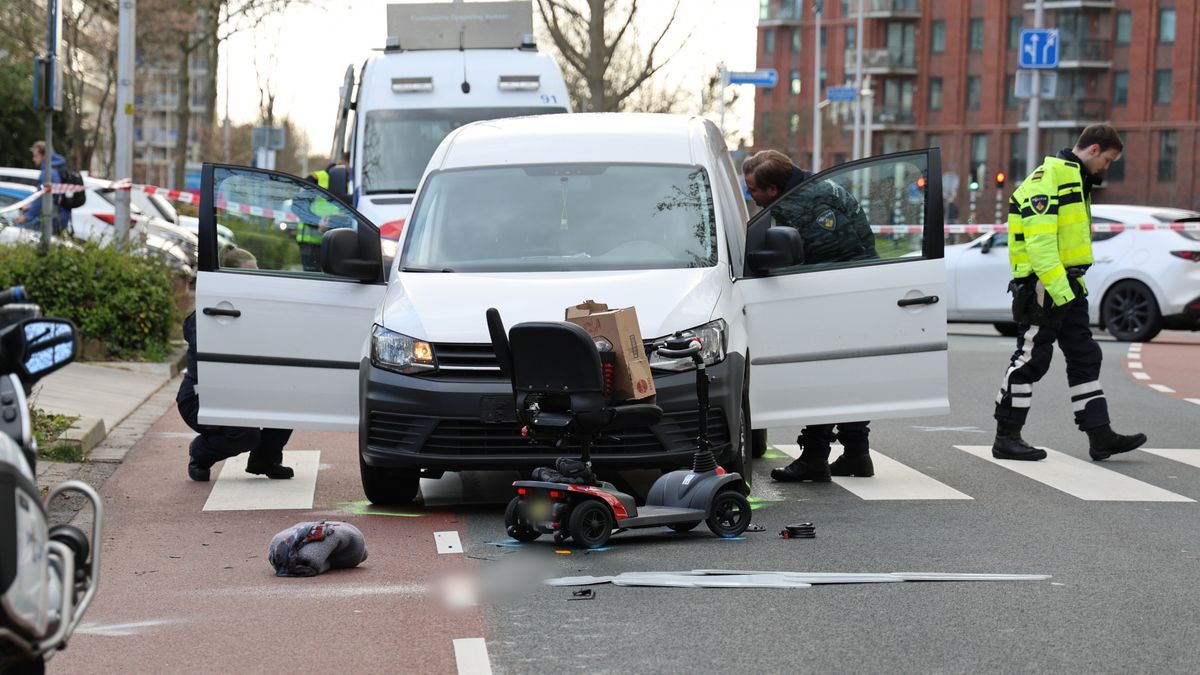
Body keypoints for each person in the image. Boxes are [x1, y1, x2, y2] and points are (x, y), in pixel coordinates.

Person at [991, 123, 1146, 462]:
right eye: (1107, 160)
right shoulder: (1048, 178)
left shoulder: (1077, 179)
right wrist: (1061, 291)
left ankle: (1100, 434)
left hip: (1067, 284)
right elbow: (1041, 245)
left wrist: (1072, 289)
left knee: (1085, 356)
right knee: (1031, 359)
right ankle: (1007, 436)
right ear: (1093, 150)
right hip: (1045, 285)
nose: (1107, 168)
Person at [742, 150, 878, 482]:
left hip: (839, 297)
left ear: (772, 189)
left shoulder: (802, 204)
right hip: (856, 291)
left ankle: (815, 456)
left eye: (753, 189)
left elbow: (817, 262)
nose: (750, 196)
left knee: (824, 375)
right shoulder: (810, 189)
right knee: (843, 376)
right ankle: (857, 454)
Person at [177, 244, 295, 481]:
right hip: (202, 398)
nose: (257, 279)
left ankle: (266, 459)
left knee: (289, 399)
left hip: (239, 393)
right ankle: (200, 452)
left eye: (257, 272)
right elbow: (218, 365)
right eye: (249, 274)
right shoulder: (207, 317)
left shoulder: (255, 311)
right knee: (245, 435)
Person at [13, 141, 72, 235]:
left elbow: (43, 198)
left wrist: (26, 216)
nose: (33, 159)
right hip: (60, 216)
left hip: (51, 218)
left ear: (44, 155)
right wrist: (31, 205)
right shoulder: (56, 169)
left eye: (35, 156)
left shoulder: (48, 173)